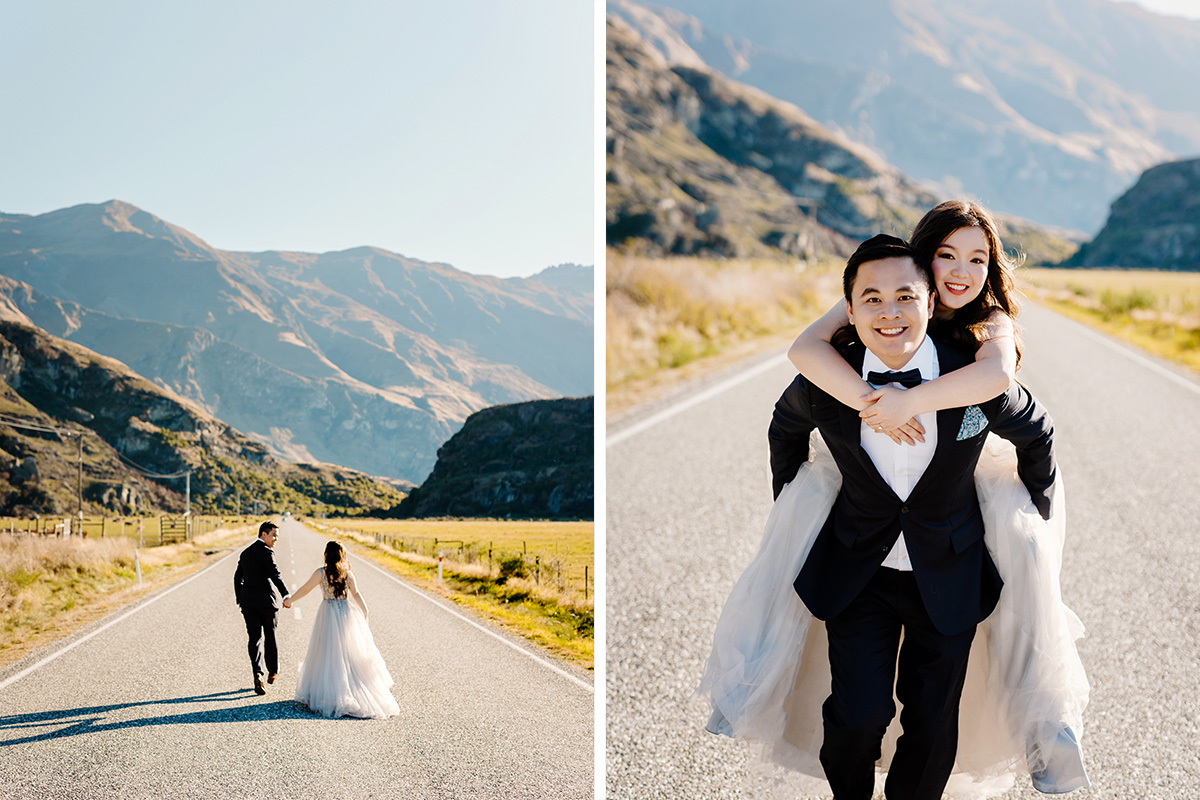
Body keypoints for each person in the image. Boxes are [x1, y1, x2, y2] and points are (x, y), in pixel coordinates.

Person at [700, 234, 1081, 799]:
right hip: (858, 572)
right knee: (858, 716)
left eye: (904, 297)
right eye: (871, 300)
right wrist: (794, 499)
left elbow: (1038, 433)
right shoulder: (832, 381)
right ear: (849, 312)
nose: (890, 312)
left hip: (951, 572)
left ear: (931, 302)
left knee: (931, 722)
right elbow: (785, 427)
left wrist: (1034, 519)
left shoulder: (970, 376)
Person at [284, 541, 399, 719]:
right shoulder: (348, 573)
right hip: (345, 612)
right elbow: (356, 593)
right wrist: (364, 610)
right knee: (348, 652)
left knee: (327, 651)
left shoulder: (321, 572)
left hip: (328, 613)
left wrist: (290, 600)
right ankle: (348, 689)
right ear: (342, 555)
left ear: (326, 555)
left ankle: (328, 692)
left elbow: (306, 589)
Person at [233, 520, 291, 696]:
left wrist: (240, 599)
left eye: (277, 536)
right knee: (270, 636)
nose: (275, 539)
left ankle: (257, 672)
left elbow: (237, 578)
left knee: (254, 638)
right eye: (273, 535)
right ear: (263, 534)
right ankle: (272, 672)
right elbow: (275, 574)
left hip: (248, 603)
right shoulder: (267, 552)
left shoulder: (245, 553)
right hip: (267, 602)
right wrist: (286, 594)